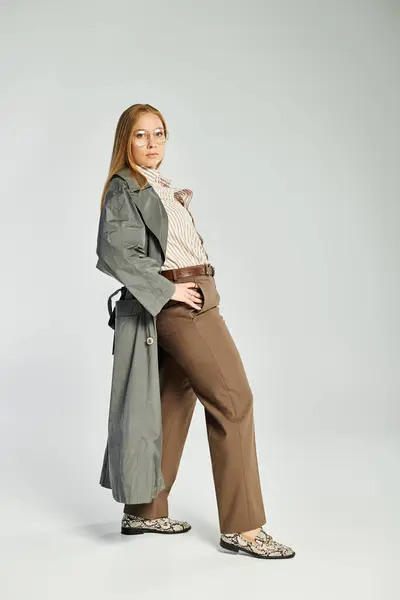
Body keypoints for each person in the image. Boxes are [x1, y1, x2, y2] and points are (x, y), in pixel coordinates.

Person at [95, 103, 295, 560]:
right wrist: (168, 292)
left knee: (171, 398)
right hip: (180, 302)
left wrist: (176, 208)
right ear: (125, 140)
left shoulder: (158, 186)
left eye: (159, 134)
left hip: (194, 294)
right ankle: (244, 528)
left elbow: (156, 241)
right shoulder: (125, 186)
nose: (152, 143)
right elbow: (114, 251)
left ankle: (144, 510)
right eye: (141, 135)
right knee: (233, 400)